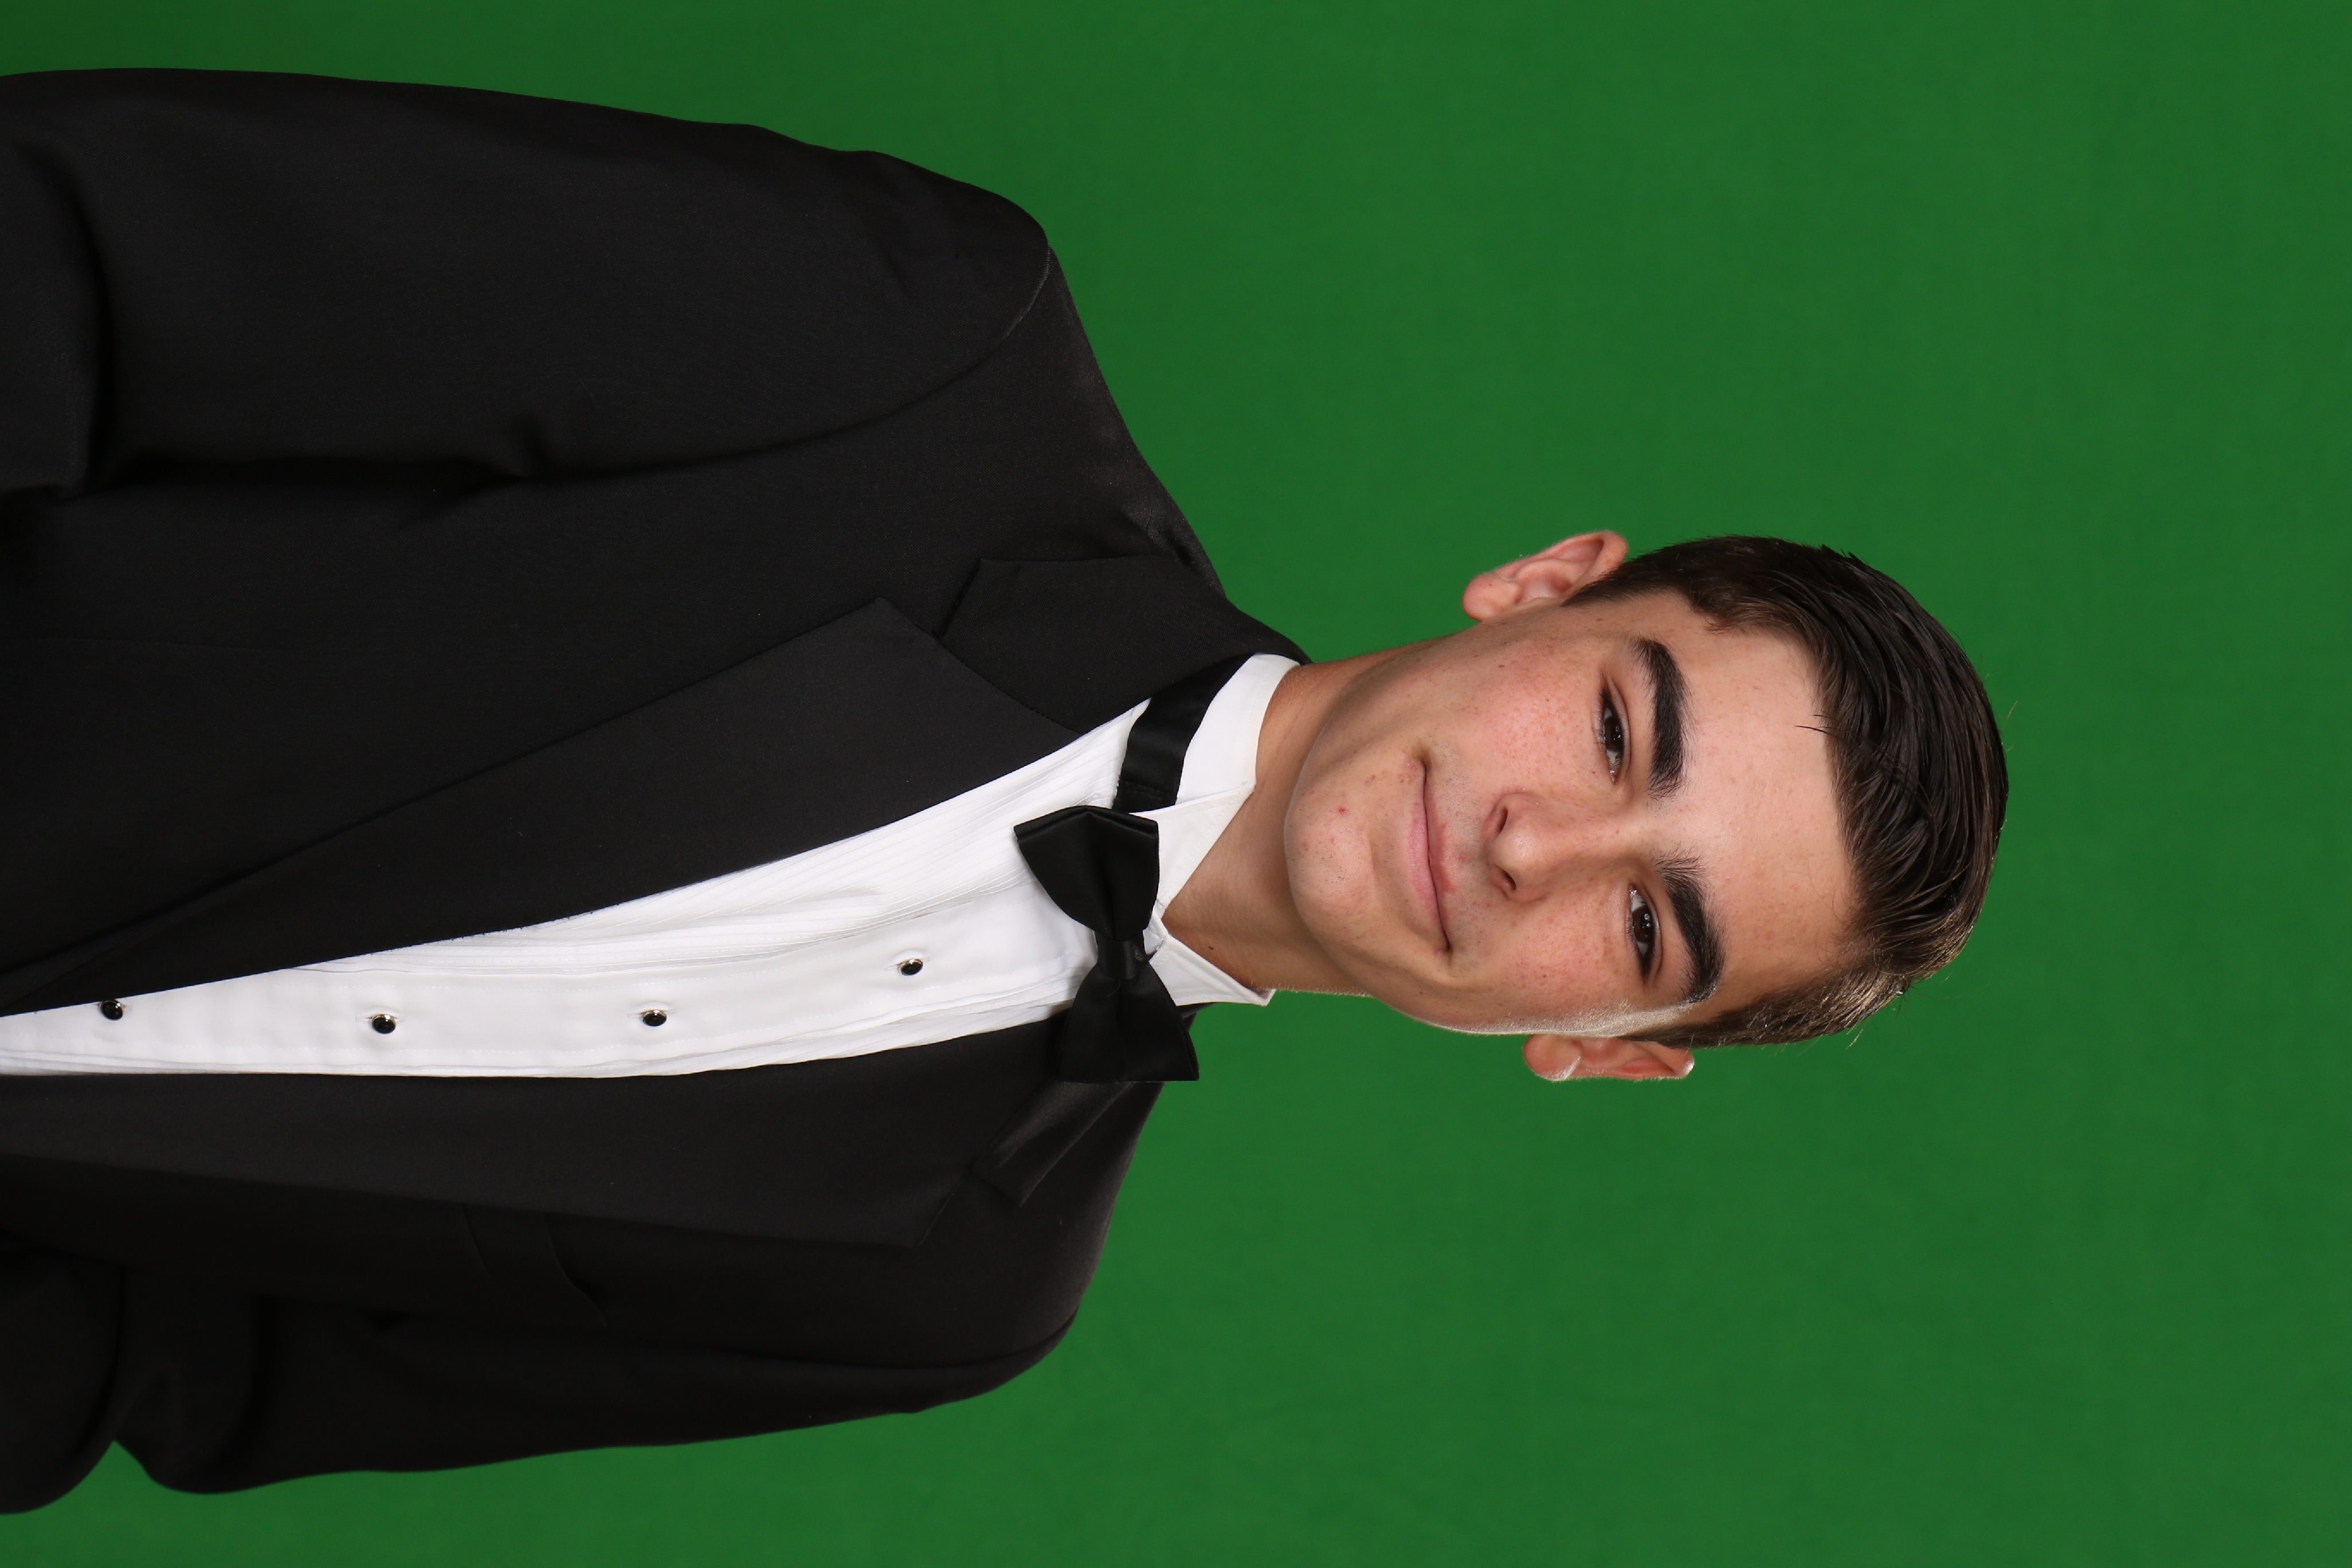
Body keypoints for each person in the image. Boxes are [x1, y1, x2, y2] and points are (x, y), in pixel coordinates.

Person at [0, 69, 2007, 1510]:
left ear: (1601, 1051)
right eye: (1620, 733)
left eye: (1647, 921)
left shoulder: (950, 1298)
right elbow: (82, 247)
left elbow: (174, 1367)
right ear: (1547, 586)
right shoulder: (920, 354)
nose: (1535, 841)